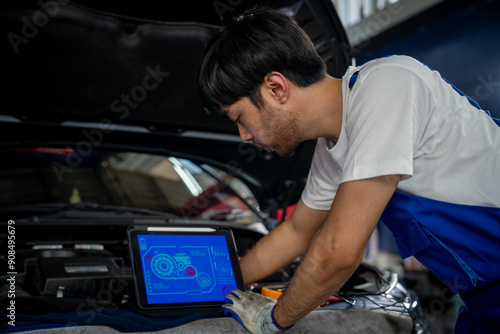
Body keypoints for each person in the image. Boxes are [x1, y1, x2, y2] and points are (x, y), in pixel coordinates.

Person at [197, 6, 500, 334]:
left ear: (276, 88)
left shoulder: (389, 85)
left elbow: (339, 253)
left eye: (238, 117)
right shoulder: (332, 151)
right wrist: (217, 284)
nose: (243, 135)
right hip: (484, 301)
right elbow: (296, 232)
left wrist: (270, 321)